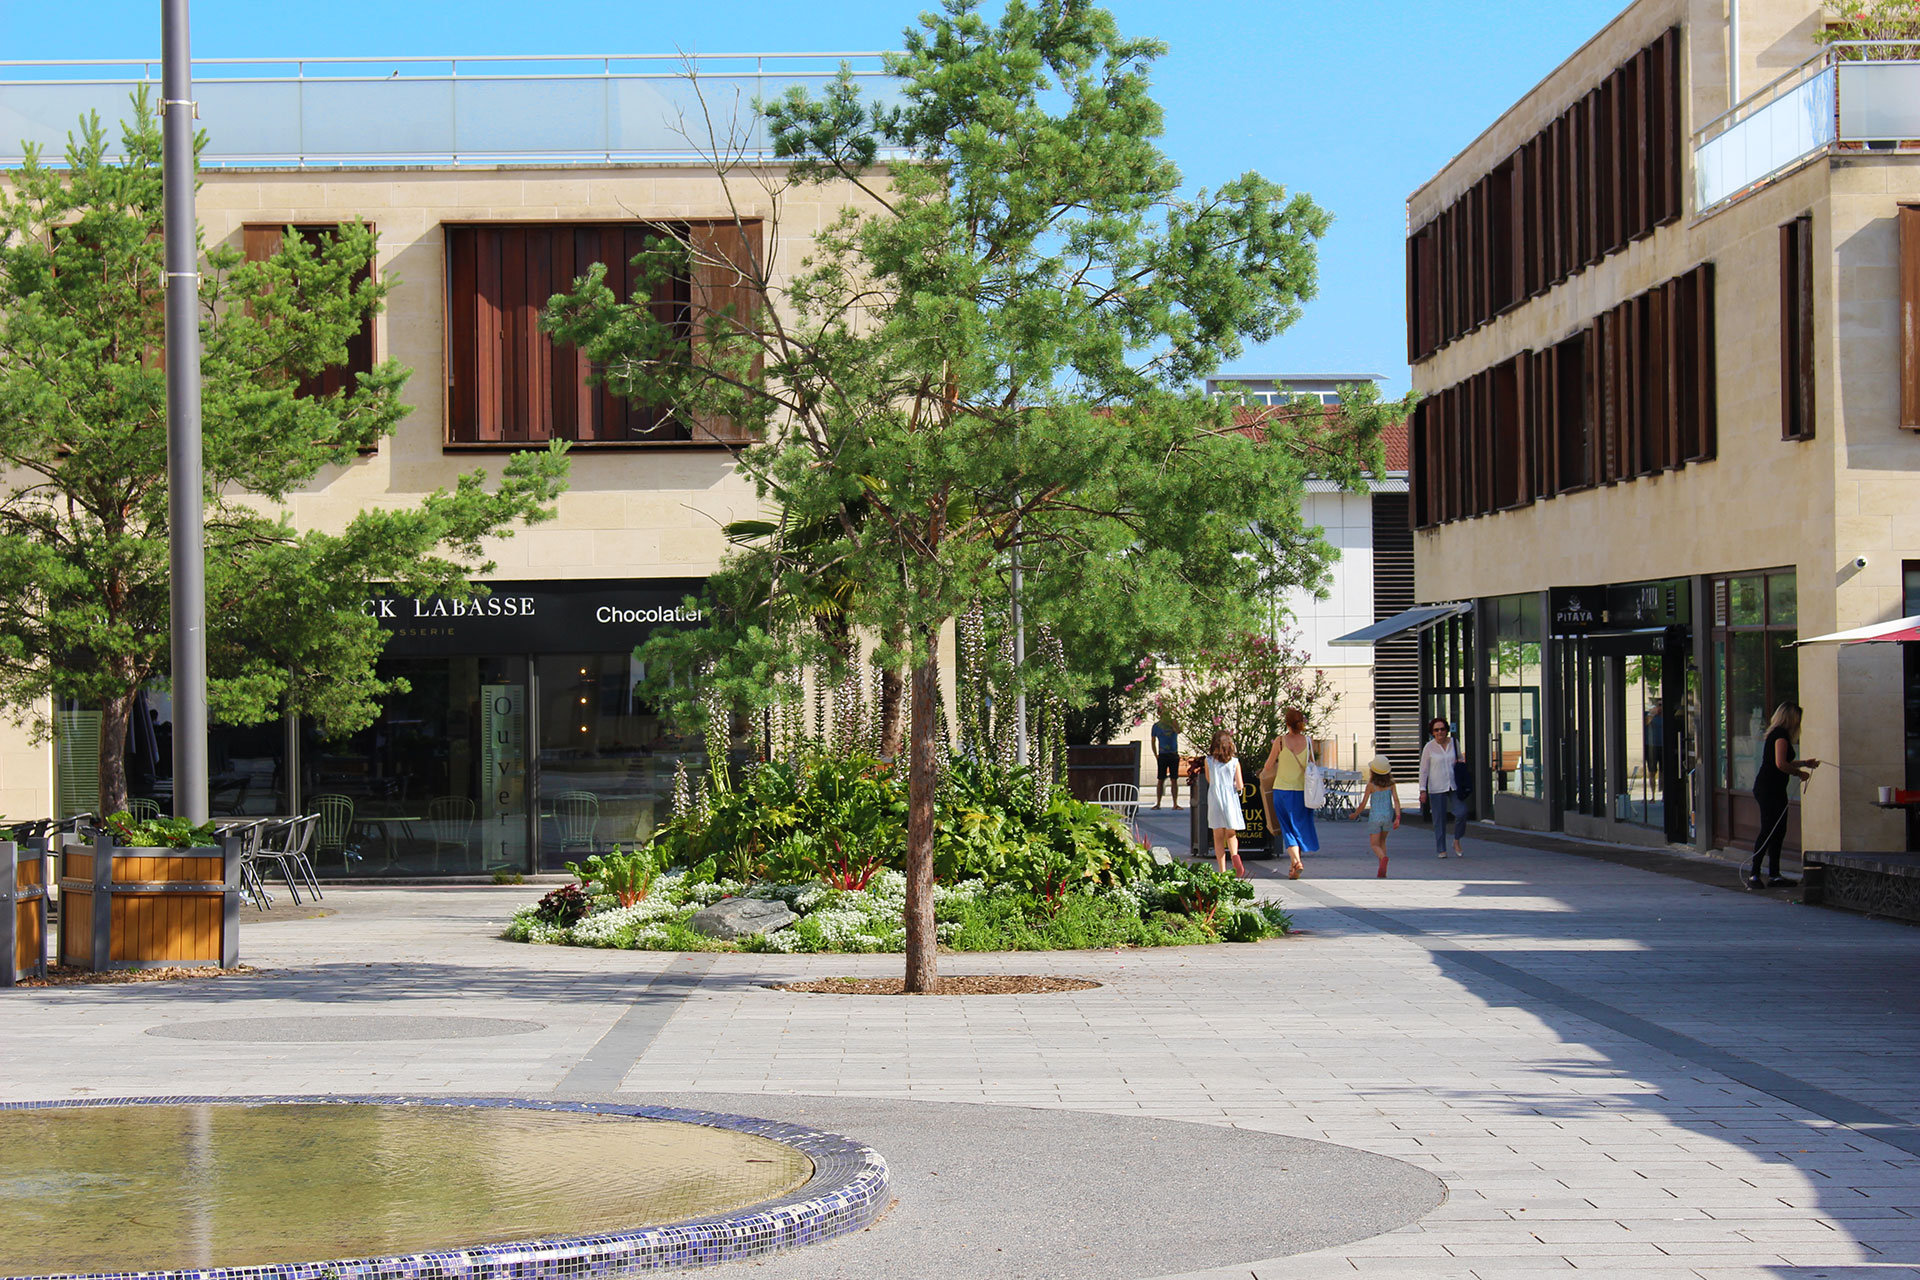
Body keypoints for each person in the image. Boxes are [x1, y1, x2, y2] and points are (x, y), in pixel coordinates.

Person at [1747, 702, 1819, 890]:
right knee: (1769, 830)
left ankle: (1774, 874)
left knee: (1778, 831)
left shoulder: (1777, 734)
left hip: (1774, 788)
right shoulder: (1781, 735)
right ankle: (1755, 873)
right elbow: (1780, 763)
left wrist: (1804, 763)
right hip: (1769, 788)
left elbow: (1782, 761)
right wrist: (1799, 774)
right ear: (1792, 718)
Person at [1260, 707, 1320, 881]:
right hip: (1302, 792)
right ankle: (1293, 868)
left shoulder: (1280, 741)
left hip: (1282, 790)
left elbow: (1268, 765)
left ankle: (1296, 860)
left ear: (1286, 723)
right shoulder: (1308, 741)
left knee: (1287, 827)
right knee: (1298, 826)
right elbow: (1311, 765)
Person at [1419, 715, 1468, 858]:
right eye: (1436, 730)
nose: (1439, 732)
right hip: (1437, 786)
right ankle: (1441, 849)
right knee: (1439, 819)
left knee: (1461, 812)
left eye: (1442, 729)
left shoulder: (1454, 743)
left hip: (1454, 784)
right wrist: (1423, 789)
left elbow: (1460, 759)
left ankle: (1457, 840)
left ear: (1446, 730)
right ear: (1432, 732)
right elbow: (1424, 769)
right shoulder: (1429, 747)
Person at [1203, 729, 1246, 878]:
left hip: (1215, 799)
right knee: (1231, 834)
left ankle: (1222, 870)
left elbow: (1209, 779)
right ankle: (1234, 855)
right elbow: (1240, 785)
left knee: (1217, 836)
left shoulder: (1208, 761)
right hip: (1231, 799)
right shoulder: (1234, 762)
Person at [1352, 754, 1402, 878]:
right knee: (1383, 841)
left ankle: (1383, 858)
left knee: (1374, 844)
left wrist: (1355, 814)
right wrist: (1398, 817)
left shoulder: (1371, 785)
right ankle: (1382, 867)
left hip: (1375, 817)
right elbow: (1396, 800)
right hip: (1388, 816)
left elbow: (1363, 803)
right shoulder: (1391, 784)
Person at [1150, 715, 1183, 809]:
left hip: (1173, 754)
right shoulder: (1156, 726)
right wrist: (1156, 754)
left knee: (1174, 779)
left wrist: (1171, 724)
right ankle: (1158, 803)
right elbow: (1153, 741)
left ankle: (1175, 803)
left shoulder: (1173, 722)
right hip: (1163, 754)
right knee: (1160, 779)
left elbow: (1178, 731)